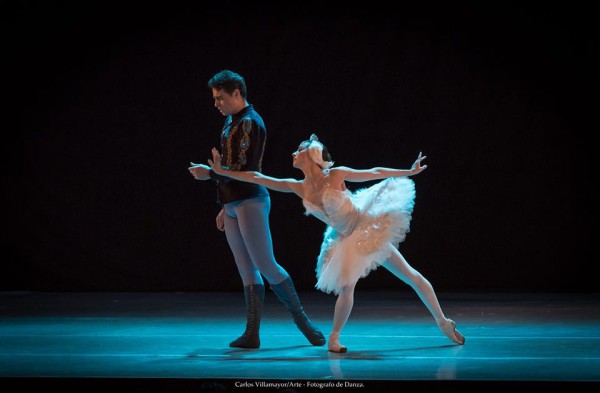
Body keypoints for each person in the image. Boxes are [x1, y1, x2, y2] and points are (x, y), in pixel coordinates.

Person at [207, 134, 466, 353]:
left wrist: (409, 171)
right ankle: (334, 338)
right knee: (346, 287)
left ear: (313, 155)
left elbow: (374, 172)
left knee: (409, 275)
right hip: (344, 237)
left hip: (365, 227)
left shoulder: (336, 175)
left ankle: (443, 322)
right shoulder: (298, 187)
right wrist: (220, 172)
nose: (293, 153)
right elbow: (258, 178)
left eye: (299, 150)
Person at [188, 70, 325, 349]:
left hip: (251, 199)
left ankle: (304, 324)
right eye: (214, 99)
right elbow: (227, 168)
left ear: (236, 93)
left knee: (266, 265)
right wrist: (223, 201)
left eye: (220, 98)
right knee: (246, 270)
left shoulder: (250, 122)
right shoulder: (230, 121)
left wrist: (210, 174)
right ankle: (252, 333)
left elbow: (244, 171)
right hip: (233, 203)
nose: (216, 103)